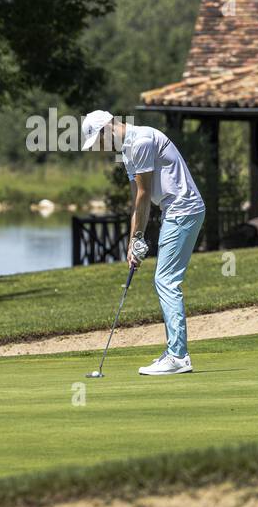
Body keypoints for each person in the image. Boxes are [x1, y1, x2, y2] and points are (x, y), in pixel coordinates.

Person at [81, 111, 206, 375]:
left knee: (166, 280)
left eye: (97, 142)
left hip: (183, 210)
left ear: (106, 129)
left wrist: (136, 239)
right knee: (165, 279)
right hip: (174, 210)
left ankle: (178, 357)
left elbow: (145, 194)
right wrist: (134, 241)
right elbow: (138, 200)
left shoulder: (141, 141)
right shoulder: (127, 150)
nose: (99, 148)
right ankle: (174, 352)